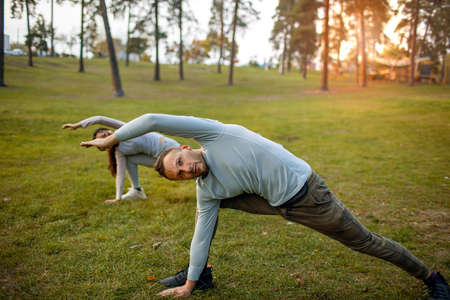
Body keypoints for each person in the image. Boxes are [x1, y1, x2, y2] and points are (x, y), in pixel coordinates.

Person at [80, 113, 449, 299]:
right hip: (269, 201)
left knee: (364, 242)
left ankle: (431, 277)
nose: (186, 170)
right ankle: (199, 274)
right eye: (180, 176)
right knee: (206, 214)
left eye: (180, 162)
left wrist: (108, 138)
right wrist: (189, 287)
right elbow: (201, 229)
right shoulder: (206, 185)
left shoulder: (214, 134)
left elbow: (151, 120)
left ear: (182, 147)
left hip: (308, 197)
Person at [63, 116, 179, 203]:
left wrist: (77, 125)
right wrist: (117, 198)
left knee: (189, 171)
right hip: (159, 158)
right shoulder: (121, 153)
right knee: (130, 160)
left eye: (106, 131)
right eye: (104, 136)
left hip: (170, 148)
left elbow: (100, 119)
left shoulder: (124, 129)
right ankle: (137, 190)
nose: (108, 133)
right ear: (106, 146)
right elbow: (120, 174)